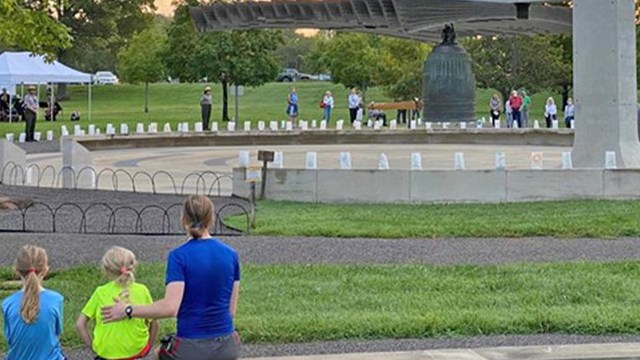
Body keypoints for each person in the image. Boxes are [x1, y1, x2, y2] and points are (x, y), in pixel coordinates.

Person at [101, 195, 242, 360]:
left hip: (191, 346)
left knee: (158, 355)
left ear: (183, 219)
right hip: (227, 346)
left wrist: (127, 310)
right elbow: (230, 312)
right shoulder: (231, 255)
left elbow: (170, 307)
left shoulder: (179, 256)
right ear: (211, 219)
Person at [76, 246, 158, 360]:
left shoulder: (100, 292)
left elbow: (80, 324)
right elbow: (154, 323)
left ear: (106, 270)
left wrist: (94, 347)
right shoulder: (142, 290)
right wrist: (148, 347)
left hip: (106, 353)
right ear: (132, 266)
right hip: (136, 351)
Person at [2, 245, 65, 360]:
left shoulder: (7, 304)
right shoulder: (56, 300)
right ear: (46, 270)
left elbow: (10, 338)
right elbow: (56, 335)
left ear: (16, 270)